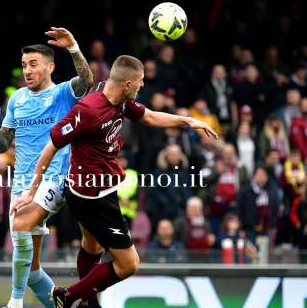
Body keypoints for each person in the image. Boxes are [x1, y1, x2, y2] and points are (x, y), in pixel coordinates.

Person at [13, 55, 217, 307]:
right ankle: (66, 296)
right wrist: (31, 192)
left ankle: (90, 303)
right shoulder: (88, 111)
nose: (143, 86)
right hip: (92, 197)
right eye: (140, 82)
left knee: (92, 247)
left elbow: (150, 117)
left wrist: (187, 121)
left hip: (99, 189)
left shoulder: (121, 99)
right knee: (129, 264)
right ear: (128, 84)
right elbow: (51, 145)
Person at [0, 27, 93, 308]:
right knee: (30, 270)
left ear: (50, 67)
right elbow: (4, 146)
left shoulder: (62, 93)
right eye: (24, 65)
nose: (27, 71)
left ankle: (14, 302)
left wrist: (74, 47)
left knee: (21, 223)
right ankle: (64, 304)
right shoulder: (17, 99)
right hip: (22, 184)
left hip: (55, 179)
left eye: (33, 65)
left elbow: (87, 80)